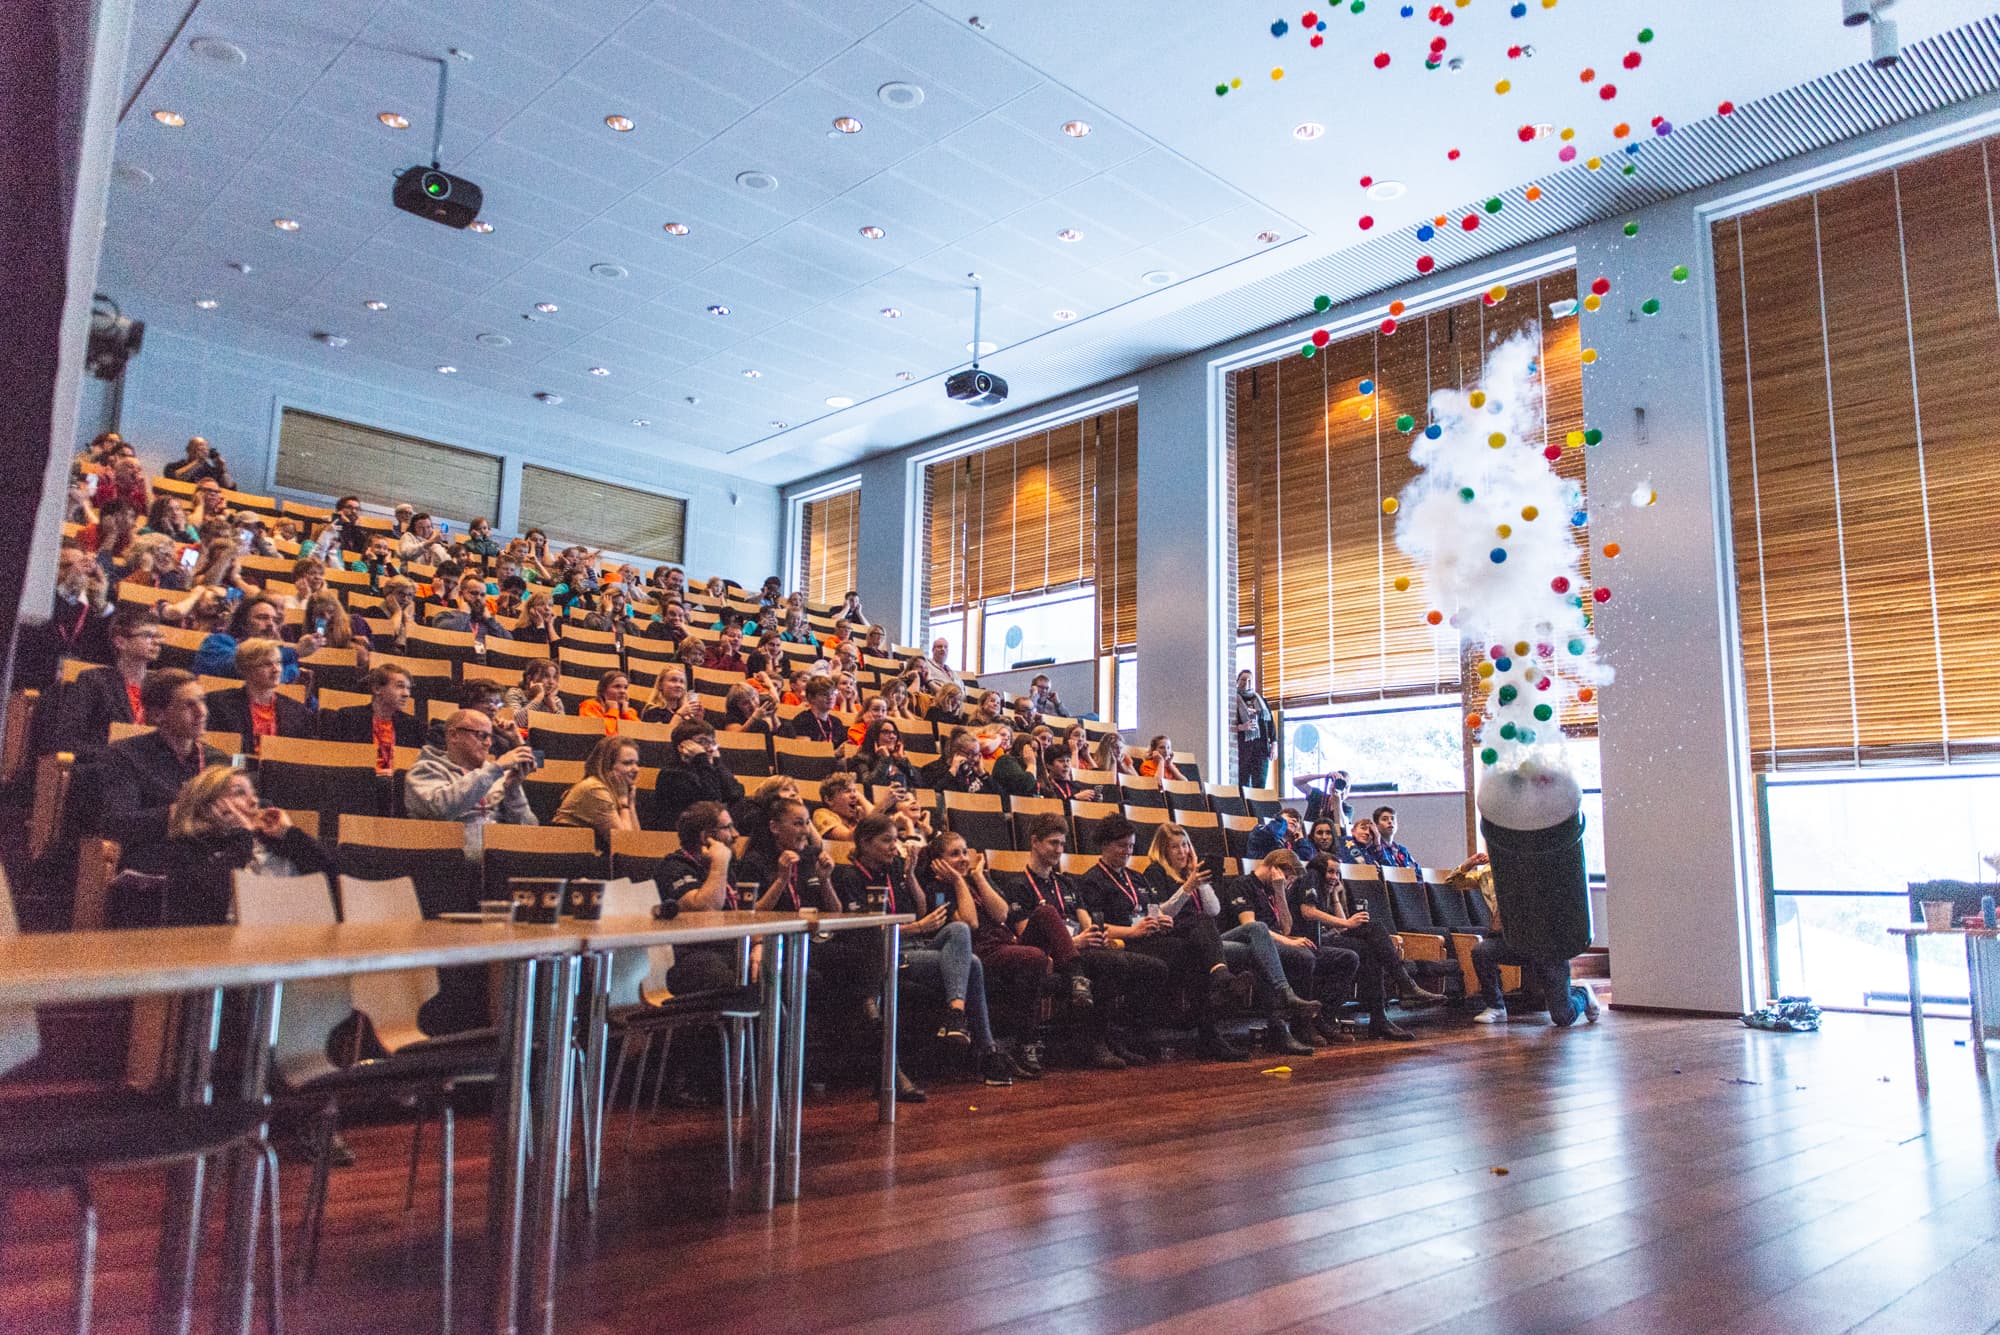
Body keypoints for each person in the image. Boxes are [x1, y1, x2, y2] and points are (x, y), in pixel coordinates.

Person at [838, 818, 1024, 1089]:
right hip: (889, 953)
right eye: (887, 840)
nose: (894, 847)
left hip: (918, 948)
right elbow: (867, 931)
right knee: (971, 964)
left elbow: (921, 908)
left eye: (895, 840)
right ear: (865, 843)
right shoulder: (850, 877)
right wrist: (917, 928)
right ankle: (985, 1050)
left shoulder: (891, 873)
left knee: (959, 932)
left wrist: (911, 876)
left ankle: (957, 1017)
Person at [1000, 813, 1164, 1069]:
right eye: (1053, 843)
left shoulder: (1066, 882)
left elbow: (1087, 922)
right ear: (1034, 842)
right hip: (1047, 953)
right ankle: (1095, 1041)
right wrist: (1076, 942)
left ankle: (1115, 1037)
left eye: (1063, 844)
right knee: (1110, 963)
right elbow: (1024, 935)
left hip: (1079, 948)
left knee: (1147, 966)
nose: (1059, 850)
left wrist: (1093, 935)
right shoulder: (1018, 885)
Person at [1081, 815, 1249, 1061]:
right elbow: (1095, 926)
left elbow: (1153, 910)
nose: (1127, 852)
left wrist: (1161, 920)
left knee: (1197, 945)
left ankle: (1207, 1024)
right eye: (1121, 846)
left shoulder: (1135, 878)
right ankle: (1209, 1018)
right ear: (1105, 845)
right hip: (1123, 942)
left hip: (1149, 937)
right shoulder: (1092, 880)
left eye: (1130, 846)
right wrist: (1132, 931)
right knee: (1196, 947)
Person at [122, 766, 337, 926]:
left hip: (300, 951)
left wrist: (291, 835)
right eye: (239, 793)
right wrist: (241, 837)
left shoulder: (279, 844)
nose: (254, 802)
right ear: (208, 806)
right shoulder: (188, 849)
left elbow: (338, 881)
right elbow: (210, 908)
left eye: (253, 793)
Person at [1299, 850, 1444, 1041]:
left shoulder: (1326, 889)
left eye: (1337, 873)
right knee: (1374, 931)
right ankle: (1402, 988)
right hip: (1310, 941)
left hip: (1328, 938)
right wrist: (1348, 923)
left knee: (1372, 947)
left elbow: (1341, 927)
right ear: (1319, 870)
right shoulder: (1311, 878)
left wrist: (1335, 896)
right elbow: (1307, 912)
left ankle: (1381, 1017)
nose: (1334, 877)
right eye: (1330, 872)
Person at [96, 670, 228, 859]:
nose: (202, 712)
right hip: (154, 860)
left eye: (202, 701)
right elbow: (117, 823)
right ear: (158, 716)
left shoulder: (217, 760)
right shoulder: (125, 756)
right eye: (189, 705)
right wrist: (179, 814)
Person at [1463, 853, 1600, 1027]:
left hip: (1548, 948)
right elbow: (1454, 882)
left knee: (1563, 1017)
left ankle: (1582, 993)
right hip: (1517, 944)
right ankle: (1496, 1007)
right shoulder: (1495, 878)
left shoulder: (1546, 877)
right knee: (1481, 951)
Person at [1217, 850, 1330, 1054]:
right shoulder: (1243, 884)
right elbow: (1249, 924)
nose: (1287, 883)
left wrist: (1280, 892)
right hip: (1238, 940)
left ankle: (1298, 1024)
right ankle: (1283, 1010)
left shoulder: (1273, 889)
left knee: (1304, 956)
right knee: (1262, 935)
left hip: (1264, 944)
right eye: (1287, 878)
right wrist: (1287, 942)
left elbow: (1286, 928)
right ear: (1276, 868)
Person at [654, 802, 742, 992]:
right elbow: (705, 910)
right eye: (727, 828)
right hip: (690, 956)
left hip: (728, 949)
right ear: (706, 837)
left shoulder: (724, 868)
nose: (736, 835)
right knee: (721, 975)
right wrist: (719, 863)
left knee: (782, 971)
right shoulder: (675, 867)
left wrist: (758, 946)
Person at [403, 708, 538, 828]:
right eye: (481, 735)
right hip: (452, 852)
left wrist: (512, 790)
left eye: (490, 737)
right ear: (454, 735)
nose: (488, 743)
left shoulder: (497, 775)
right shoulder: (425, 770)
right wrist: (495, 768)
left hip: (499, 851)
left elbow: (529, 830)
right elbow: (439, 811)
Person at [57, 607, 160, 756]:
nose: (156, 642)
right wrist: (114, 756)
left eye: (158, 636)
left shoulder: (161, 689)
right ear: (120, 642)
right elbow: (68, 738)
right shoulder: (93, 681)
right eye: (148, 635)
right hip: (104, 767)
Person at [205, 638, 315, 755]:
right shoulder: (219, 704)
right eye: (267, 664)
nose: (276, 670)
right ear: (247, 669)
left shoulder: (296, 710)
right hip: (235, 767)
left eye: (278, 662)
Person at [646, 718, 744, 831]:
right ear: (682, 747)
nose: (710, 748)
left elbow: (736, 794)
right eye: (702, 742)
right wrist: (701, 759)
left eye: (712, 742)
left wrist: (717, 763)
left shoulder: (709, 768)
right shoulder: (671, 774)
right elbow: (711, 803)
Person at [191, 595, 317, 682]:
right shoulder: (217, 642)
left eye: (274, 620)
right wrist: (295, 651)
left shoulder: (286, 661)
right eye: (262, 617)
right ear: (243, 623)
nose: (270, 624)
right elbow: (239, 666)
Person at [319, 663, 420, 771]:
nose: (406, 694)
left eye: (408, 688)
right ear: (377, 689)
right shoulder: (348, 717)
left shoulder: (414, 726)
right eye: (400, 686)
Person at [552, 735, 643, 845]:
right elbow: (625, 844)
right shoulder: (595, 790)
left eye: (637, 763)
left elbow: (637, 843)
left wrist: (631, 804)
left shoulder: (616, 790)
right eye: (627, 763)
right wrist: (624, 803)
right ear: (607, 766)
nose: (636, 769)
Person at [428, 572, 512, 639]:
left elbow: (508, 640)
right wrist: (463, 614)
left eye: (482, 595)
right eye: (474, 593)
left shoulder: (488, 623)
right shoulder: (445, 616)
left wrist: (490, 619)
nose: (478, 598)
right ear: (461, 594)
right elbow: (446, 634)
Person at [1232, 670, 1275, 787]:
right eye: (1243, 679)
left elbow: (1271, 725)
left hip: (1261, 749)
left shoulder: (1261, 701)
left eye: (1249, 680)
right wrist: (1241, 727)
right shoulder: (1233, 701)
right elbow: (1228, 726)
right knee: (1243, 784)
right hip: (1243, 749)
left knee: (1260, 784)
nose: (1246, 682)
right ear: (1237, 681)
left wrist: (1274, 746)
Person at [779, 674, 845, 745]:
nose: (830, 697)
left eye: (833, 693)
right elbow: (805, 750)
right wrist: (834, 753)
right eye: (824, 694)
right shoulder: (802, 720)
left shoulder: (836, 722)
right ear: (811, 698)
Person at [810, 773, 876, 843]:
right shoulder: (821, 814)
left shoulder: (858, 814)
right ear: (829, 800)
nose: (854, 796)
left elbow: (880, 824)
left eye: (855, 791)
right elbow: (850, 838)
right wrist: (863, 799)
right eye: (847, 791)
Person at [858, 719, 918, 790]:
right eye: (886, 732)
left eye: (894, 733)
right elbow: (868, 785)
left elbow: (919, 785)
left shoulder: (898, 761)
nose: (892, 736)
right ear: (874, 736)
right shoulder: (861, 759)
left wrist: (903, 761)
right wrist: (884, 759)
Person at [504, 660, 566, 725]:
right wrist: (538, 697)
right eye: (546, 676)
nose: (551, 682)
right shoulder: (515, 693)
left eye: (554, 677)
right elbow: (517, 722)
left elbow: (563, 728)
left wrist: (553, 707)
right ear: (529, 678)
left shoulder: (555, 700)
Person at [1247, 807, 1312, 862]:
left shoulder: (1290, 845)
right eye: (1290, 816)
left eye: (1297, 820)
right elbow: (1273, 834)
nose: (1294, 820)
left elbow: (1305, 859)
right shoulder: (1261, 829)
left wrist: (1301, 840)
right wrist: (1281, 821)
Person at [990, 733, 1040, 799]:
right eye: (1032, 749)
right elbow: (1024, 785)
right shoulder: (1005, 761)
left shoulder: (1036, 768)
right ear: (1020, 749)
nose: (1035, 754)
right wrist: (1031, 765)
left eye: (1037, 751)